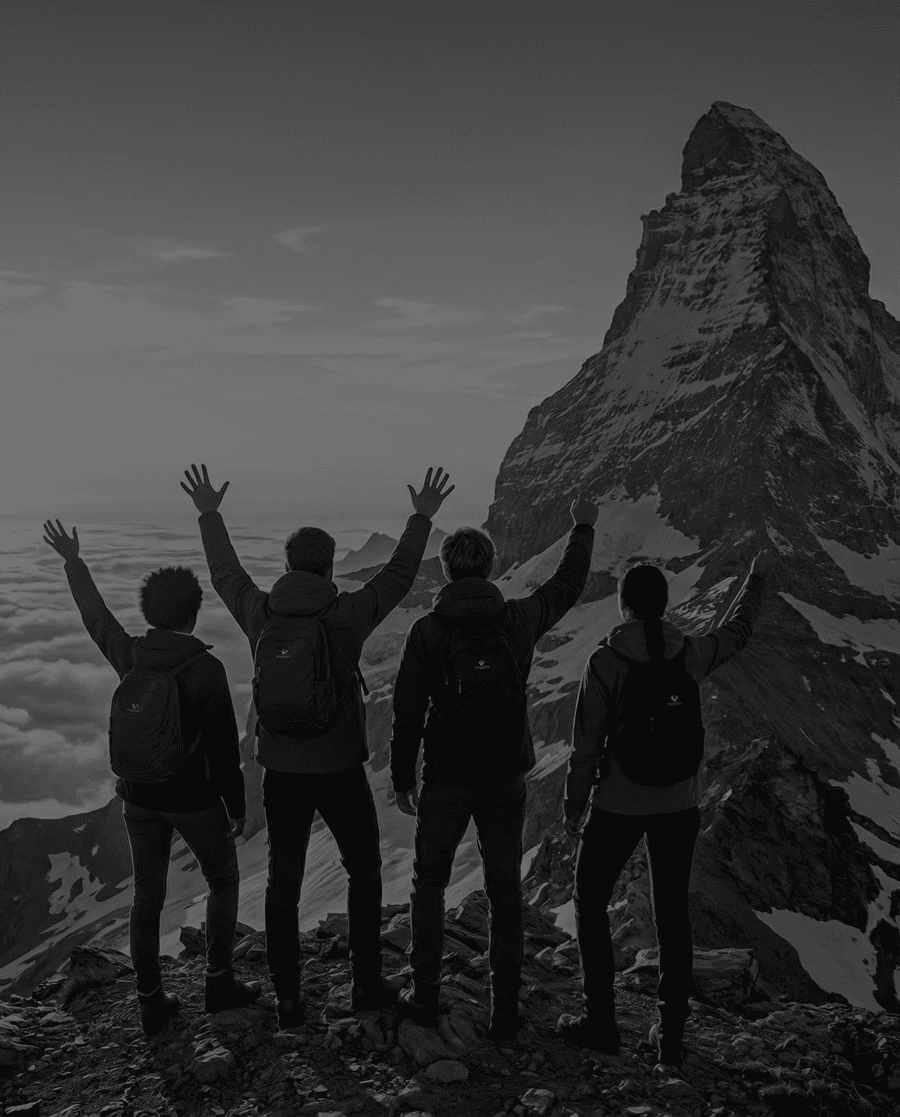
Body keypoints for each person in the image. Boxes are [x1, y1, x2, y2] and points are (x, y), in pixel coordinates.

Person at [181, 463, 454, 1028]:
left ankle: (287, 998)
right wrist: (421, 518)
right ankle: (366, 985)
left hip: (280, 771)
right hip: (339, 769)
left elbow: (226, 574)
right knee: (364, 871)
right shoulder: (347, 614)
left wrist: (209, 515)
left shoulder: (261, 613)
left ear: (287, 567)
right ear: (330, 567)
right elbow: (399, 576)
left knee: (283, 884)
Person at [390, 496, 599, 1040]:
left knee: (429, 883)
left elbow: (407, 710)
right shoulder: (518, 619)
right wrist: (581, 528)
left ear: (446, 571)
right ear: (490, 566)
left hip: (447, 775)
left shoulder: (428, 631)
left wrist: (402, 778)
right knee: (505, 889)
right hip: (505, 774)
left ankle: (425, 993)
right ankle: (504, 1007)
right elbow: (567, 586)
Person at [558, 550, 775, 1066]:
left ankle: (600, 1022)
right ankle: (671, 1036)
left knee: (589, 899)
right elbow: (738, 631)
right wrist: (755, 580)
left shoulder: (605, 660)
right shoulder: (690, 653)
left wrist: (573, 808)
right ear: (665, 604)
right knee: (672, 914)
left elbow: (585, 745)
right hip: (679, 803)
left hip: (617, 803)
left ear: (624, 605)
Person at [42, 519, 256, 1037]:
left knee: (147, 896)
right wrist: (237, 806)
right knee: (223, 880)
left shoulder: (132, 654)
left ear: (149, 613)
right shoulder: (205, 669)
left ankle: (151, 1001)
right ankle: (219, 983)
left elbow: (97, 621)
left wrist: (74, 563)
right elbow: (224, 748)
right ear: (193, 613)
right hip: (194, 799)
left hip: (137, 797)